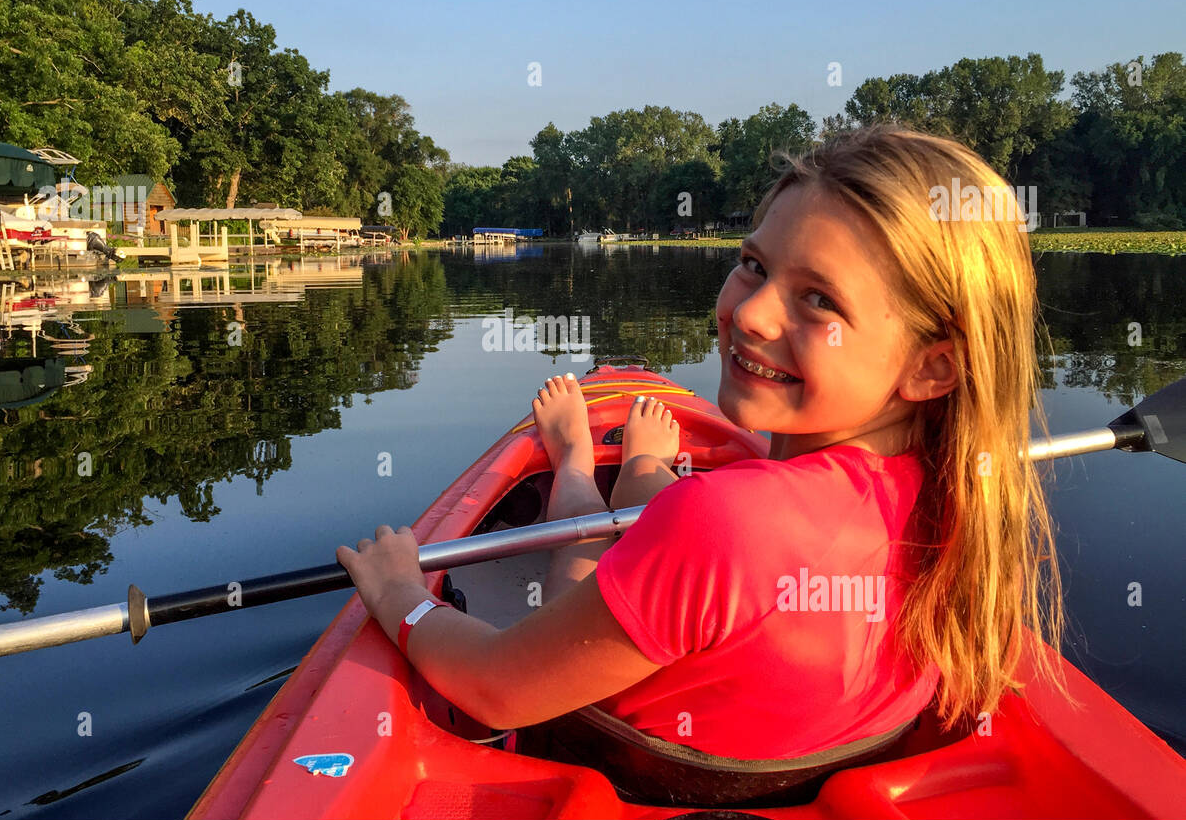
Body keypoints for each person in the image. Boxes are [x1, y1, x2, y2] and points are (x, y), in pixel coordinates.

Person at [336, 125, 1064, 761]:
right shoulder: (962, 503)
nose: (748, 313)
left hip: (608, 763)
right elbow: (723, 546)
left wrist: (400, 590)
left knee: (619, 541)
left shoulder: (725, 524)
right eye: (754, 263)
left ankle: (577, 470)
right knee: (670, 516)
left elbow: (494, 685)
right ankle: (634, 477)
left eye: (819, 300)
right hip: (776, 750)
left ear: (931, 365)